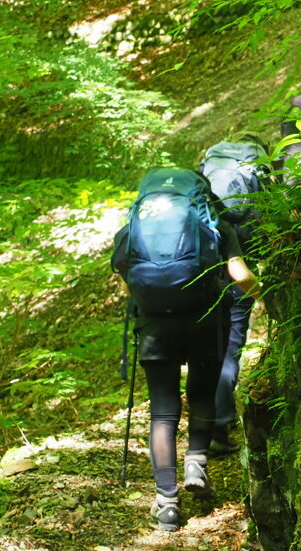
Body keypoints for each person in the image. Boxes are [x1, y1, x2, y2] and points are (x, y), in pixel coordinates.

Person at [111, 167, 262, 532]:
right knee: (201, 394)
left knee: (163, 413)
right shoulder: (215, 227)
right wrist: (266, 295)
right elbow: (240, 276)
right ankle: (196, 464)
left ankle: (167, 505)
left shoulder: (131, 229)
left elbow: (126, 282)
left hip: (154, 327)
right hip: (205, 321)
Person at [198, 134, 270, 457]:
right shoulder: (254, 167)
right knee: (231, 348)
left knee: (212, 347)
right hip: (241, 265)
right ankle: (220, 427)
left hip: (209, 268)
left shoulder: (212, 163)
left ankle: (205, 427)